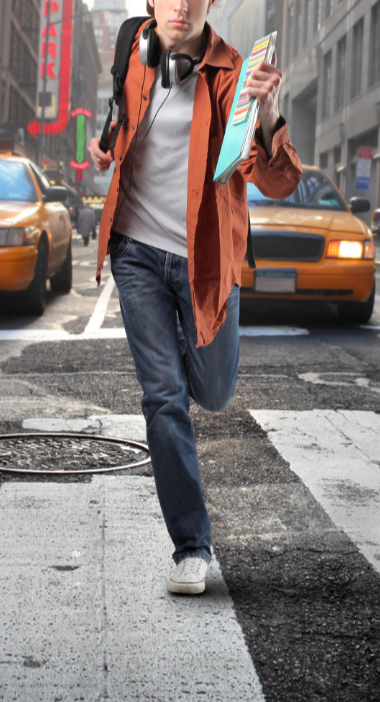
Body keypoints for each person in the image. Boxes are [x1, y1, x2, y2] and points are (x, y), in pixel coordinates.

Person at [89, 0, 301, 595]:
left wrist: (268, 110)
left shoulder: (234, 75)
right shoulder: (132, 48)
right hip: (136, 253)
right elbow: (124, 124)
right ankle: (192, 547)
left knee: (212, 392)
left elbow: (278, 180)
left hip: (206, 260)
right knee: (163, 396)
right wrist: (106, 147)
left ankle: (196, 349)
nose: (180, 5)